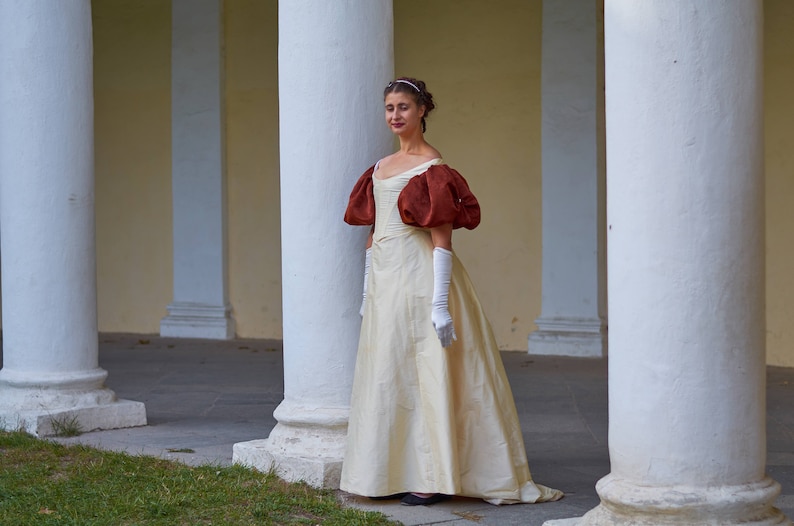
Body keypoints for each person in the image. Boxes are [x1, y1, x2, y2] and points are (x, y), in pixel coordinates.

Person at [340, 77, 563, 507]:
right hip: (388, 283)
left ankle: (432, 475)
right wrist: (368, 290)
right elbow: (373, 235)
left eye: (404, 107)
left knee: (430, 373)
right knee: (390, 373)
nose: (395, 115)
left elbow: (442, 240)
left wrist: (441, 306)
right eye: (389, 108)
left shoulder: (432, 169)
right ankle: (388, 470)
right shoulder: (380, 168)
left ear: (423, 110)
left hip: (423, 281)